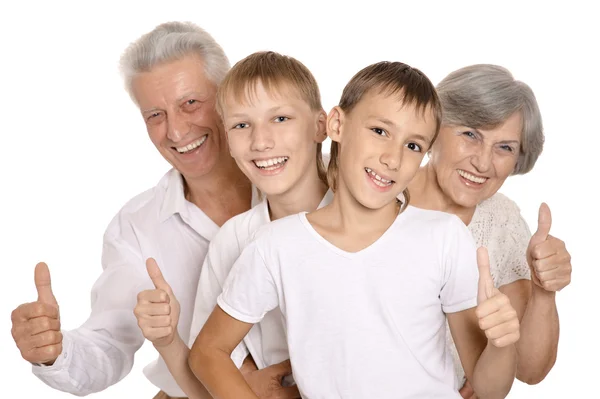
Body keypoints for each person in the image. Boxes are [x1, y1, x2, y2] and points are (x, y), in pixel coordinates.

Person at [190, 61, 521, 398]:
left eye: (413, 146)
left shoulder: (444, 237)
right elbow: (207, 353)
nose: (392, 159)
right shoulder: (277, 245)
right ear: (337, 124)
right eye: (380, 131)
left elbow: (488, 390)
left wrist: (502, 345)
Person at [9, 21, 291, 399]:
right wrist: (55, 352)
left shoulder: (304, 181)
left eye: (190, 103)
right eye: (155, 115)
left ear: (227, 96)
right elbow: (108, 342)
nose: (176, 131)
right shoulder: (136, 227)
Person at [134, 50, 332, 398]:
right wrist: (166, 341)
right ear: (227, 137)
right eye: (242, 125)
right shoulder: (233, 241)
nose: (261, 141)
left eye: (281, 118)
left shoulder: (364, 210)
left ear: (321, 126)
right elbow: (207, 367)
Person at [407, 64, 573, 398]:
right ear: (435, 126)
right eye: (471, 134)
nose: (483, 163)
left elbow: (529, 370)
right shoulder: (378, 189)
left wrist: (544, 292)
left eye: (505, 147)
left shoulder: (503, 220)